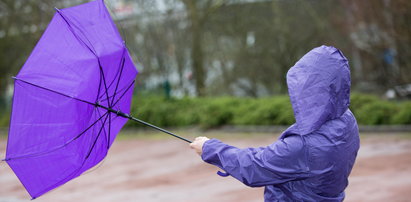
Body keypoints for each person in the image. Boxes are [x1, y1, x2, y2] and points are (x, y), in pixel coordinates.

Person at [190, 45, 360, 201]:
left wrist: (209, 148)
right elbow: (279, 156)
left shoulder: (305, 145)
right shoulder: (347, 120)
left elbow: (255, 167)